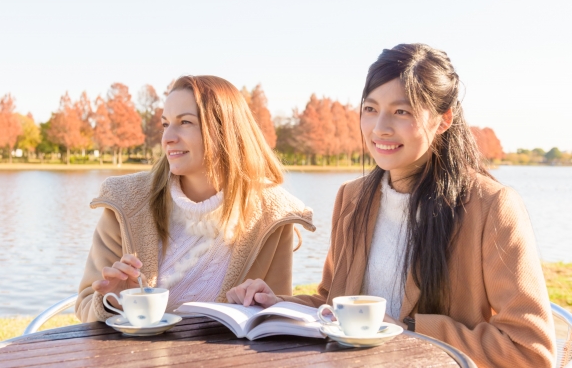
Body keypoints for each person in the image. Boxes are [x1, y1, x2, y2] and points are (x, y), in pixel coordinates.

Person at [227, 44, 555, 368]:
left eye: (402, 111)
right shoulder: (351, 198)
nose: (379, 127)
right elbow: (331, 303)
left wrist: (408, 330)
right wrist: (274, 304)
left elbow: (529, 349)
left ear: (443, 120)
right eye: (370, 109)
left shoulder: (492, 206)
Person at [76, 75, 314, 322]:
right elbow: (85, 308)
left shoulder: (272, 214)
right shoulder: (126, 202)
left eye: (185, 122)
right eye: (165, 124)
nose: (168, 137)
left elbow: (274, 320)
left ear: (225, 131)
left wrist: (259, 303)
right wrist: (113, 302)